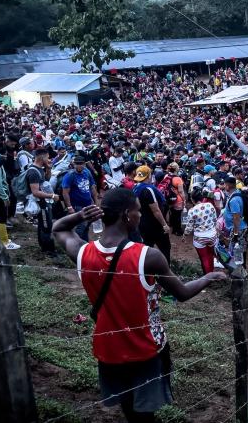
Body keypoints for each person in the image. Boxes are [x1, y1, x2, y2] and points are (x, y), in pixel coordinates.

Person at [52, 188, 226, 422]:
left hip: (109, 346)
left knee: (128, 406)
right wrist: (207, 277)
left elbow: (59, 229)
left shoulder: (83, 252)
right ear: (126, 215)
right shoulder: (148, 257)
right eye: (138, 211)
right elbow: (182, 293)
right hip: (146, 347)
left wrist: (82, 215)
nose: (140, 216)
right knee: (145, 412)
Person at [132, 165, 172, 264]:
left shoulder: (135, 187)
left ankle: (148, 270)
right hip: (155, 225)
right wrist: (164, 225)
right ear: (149, 175)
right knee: (165, 248)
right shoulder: (148, 189)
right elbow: (156, 210)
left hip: (142, 223)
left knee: (146, 248)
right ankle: (165, 272)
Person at [27, 148, 60, 257]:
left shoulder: (39, 168)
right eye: (47, 157)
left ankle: (44, 247)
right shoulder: (33, 171)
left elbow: (45, 179)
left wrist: (48, 169)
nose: (49, 159)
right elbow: (35, 192)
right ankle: (49, 251)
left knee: (44, 224)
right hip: (41, 204)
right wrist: (52, 195)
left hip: (44, 202)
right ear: (41, 157)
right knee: (46, 225)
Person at [62, 156, 100, 241]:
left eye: (81, 164)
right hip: (77, 205)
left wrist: (96, 202)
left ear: (84, 164)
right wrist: (69, 207)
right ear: (73, 164)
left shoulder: (87, 172)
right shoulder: (69, 175)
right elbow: (65, 192)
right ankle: (76, 246)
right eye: (77, 164)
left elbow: (92, 187)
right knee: (81, 226)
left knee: (87, 226)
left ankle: (84, 244)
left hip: (88, 203)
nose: (79, 166)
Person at [183, 188, 219, 275]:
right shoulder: (210, 206)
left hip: (199, 237)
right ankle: (212, 273)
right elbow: (215, 220)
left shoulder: (192, 211)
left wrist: (184, 235)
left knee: (204, 258)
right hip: (212, 235)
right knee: (210, 255)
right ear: (202, 198)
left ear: (192, 199)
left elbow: (189, 227)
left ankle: (208, 277)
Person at [223, 176, 247, 266]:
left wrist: (236, 234)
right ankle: (241, 269)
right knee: (239, 250)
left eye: (225, 185)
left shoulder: (234, 199)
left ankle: (239, 271)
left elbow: (236, 217)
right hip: (239, 227)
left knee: (237, 250)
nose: (224, 187)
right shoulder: (236, 193)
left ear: (228, 186)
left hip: (238, 229)